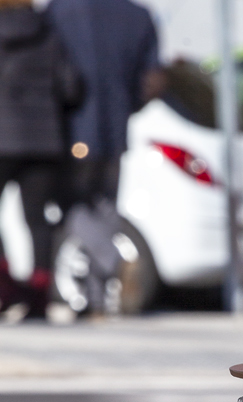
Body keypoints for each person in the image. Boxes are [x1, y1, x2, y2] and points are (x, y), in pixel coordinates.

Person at [0, 0, 82, 318]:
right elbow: (71, 86)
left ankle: (5, 283)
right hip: (44, 142)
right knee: (37, 220)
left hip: (2, 140)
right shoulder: (49, 33)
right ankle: (38, 296)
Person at [46, 0, 163, 210]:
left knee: (72, 212)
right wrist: (126, 106)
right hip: (114, 134)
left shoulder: (58, 11)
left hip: (70, 133)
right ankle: (103, 243)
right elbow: (151, 82)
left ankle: (100, 244)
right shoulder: (139, 15)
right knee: (104, 210)